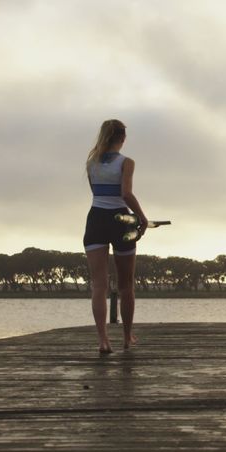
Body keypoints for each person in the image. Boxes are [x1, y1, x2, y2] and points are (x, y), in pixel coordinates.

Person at [83, 119, 149, 355]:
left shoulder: (91, 163)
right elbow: (125, 194)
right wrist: (141, 216)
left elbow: (96, 193)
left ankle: (103, 340)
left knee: (99, 285)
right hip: (120, 220)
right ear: (123, 138)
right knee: (126, 285)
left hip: (96, 220)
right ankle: (127, 336)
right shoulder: (126, 162)